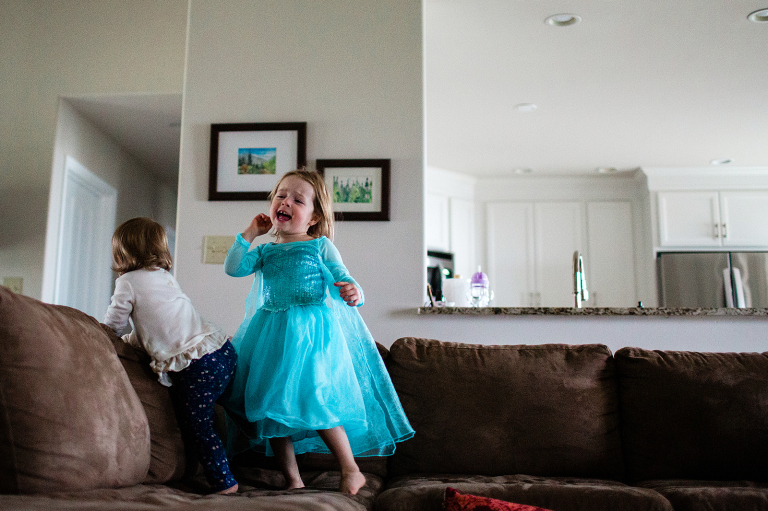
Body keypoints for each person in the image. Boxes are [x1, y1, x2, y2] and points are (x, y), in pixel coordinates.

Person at [221, 169, 414, 495]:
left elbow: (344, 279)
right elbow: (233, 267)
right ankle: (292, 478)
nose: (285, 202)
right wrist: (251, 232)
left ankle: (351, 469)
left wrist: (355, 292)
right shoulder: (265, 250)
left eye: (298, 199)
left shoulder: (320, 246)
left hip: (311, 336)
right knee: (270, 406)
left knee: (316, 398)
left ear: (313, 218)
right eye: (281, 195)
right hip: (272, 334)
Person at [103, 217, 238, 495]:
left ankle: (225, 483)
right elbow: (154, 326)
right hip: (221, 351)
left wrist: (105, 335)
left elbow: (114, 324)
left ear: (122, 252)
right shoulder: (163, 277)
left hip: (197, 364)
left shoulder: (127, 281)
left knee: (197, 423)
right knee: (227, 414)